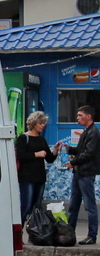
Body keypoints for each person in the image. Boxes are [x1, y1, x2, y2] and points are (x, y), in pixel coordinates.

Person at [14, 111, 61, 223]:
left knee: (37, 207)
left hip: (40, 177)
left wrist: (55, 150)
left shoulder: (41, 139)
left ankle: (35, 232)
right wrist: (36, 154)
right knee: (27, 205)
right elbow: (20, 155)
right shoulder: (23, 138)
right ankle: (18, 230)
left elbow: (49, 158)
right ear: (34, 123)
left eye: (44, 123)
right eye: (40, 123)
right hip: (27, 178)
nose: (42, 125)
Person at [65, 105, 99, 245]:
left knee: (89, 205)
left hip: (86, 172)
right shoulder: (86, 131)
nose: (77, 118)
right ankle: (69, 233)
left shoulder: (94, 132)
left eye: (80, 115)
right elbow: (80, 150)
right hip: (79, 172)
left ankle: (92, 235)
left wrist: (73, 163)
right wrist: (69, 149)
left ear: (88, 116)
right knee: (73, 204)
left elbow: (88, 153)